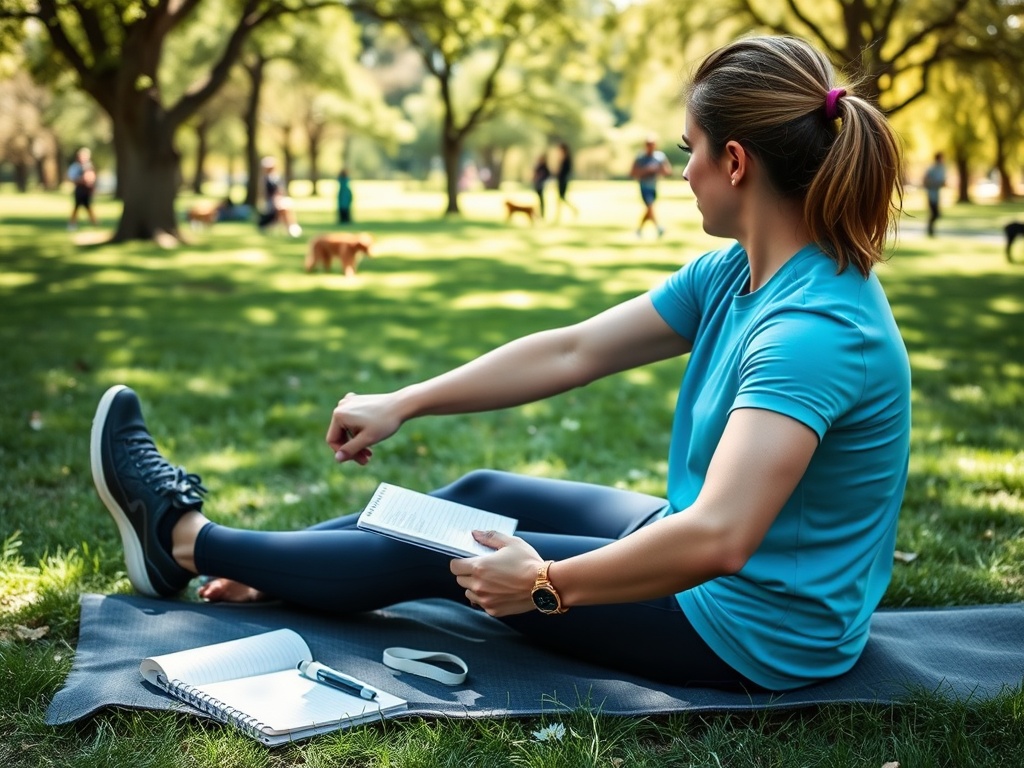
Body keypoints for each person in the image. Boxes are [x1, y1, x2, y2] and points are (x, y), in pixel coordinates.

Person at [91, 35, 910, 693]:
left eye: (686, 149)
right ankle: (279, 560)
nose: (676, 168)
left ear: (735, 163)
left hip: (754, 628)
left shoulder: (815, 329)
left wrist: (548, 581)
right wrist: (406, 400)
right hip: (710, 560)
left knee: (443, 552)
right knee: (478, 496)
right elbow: (574, 349)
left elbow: (722, 537)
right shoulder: (740, 271)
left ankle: (185, 538)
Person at [630, 134, 672, 238]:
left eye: (652, 144)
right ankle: (658, 228)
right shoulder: (640, 157)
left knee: (649, 209)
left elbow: (667, 171)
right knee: (650, 207)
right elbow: (633, 173)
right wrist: (646, 170)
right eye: (648, 144)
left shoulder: (660, 157)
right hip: (644, 187)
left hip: (654, 186)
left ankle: (639, 230)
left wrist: (657, 170)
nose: (650, 146)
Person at [257, 156, 301, 237]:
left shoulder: (277, 177)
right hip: (270, 203)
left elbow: (281, 191)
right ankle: (291, 227)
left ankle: (291, 226)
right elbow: (264, 194)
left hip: (278, 200)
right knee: (283, 209)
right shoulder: (264, 179)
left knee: (285, 207)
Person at [67, 147, 98, 230]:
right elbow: (72, 178)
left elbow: (92, 177)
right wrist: (81, 180)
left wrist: (90, 181)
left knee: (89, 206)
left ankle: (94, 223)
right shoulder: (75, 166)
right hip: (79, 189)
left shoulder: (89, 166)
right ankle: (72, 224)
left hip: (87, 190)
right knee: (76, 207)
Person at [923, 152, 947, 237]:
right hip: (931, 194)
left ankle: (931, 230)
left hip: (937, 195)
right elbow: (925, 181)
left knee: (936, 214)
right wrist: (935, 183)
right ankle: (930, 230)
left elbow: (943, 182)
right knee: (935, 213)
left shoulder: (942, 169)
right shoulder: (931, 169)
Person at [554, 142, 579, 222]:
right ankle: (558, 216)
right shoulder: (562, 159)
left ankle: (573, 210)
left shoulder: (566, 160)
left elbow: (565, 172)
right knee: (560, 198)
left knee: (562, 198)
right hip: (560, 181)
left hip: (563, 181)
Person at [532, 152, 551, 220]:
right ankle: (536, 214)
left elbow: (548, 176)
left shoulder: (545, 167)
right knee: (537, 200)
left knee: (541, 200)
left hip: (541, 185)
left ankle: (542, 214)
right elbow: (534, 175)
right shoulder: (538, 166)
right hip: (537, 184)